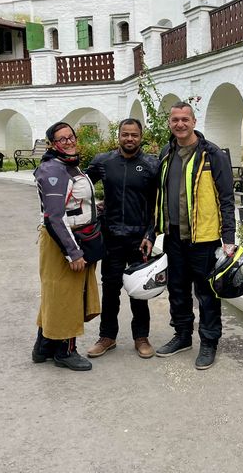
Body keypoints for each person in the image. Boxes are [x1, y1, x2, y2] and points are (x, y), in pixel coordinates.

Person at [154, 101, 235, 370]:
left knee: (206, 293)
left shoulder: (212, 154)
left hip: (205, 238)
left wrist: (229, 238)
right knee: (177, 289)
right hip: (174, 236)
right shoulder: (167, 152)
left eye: (184, 119)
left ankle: (209, 342)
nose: (180, 124)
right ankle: (183, 336)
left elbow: (226, 198)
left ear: (194, 122)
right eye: (175, 119)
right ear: (170, 123)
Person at [85, 118, 159, 359]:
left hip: (140, 239)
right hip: (112, 237)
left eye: (134, 135)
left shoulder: (151, 164)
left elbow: (158, 205)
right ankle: (107, 337)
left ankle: (141, 337)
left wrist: (151, 233)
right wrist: (92, 209)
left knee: (139, 290)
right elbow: (80, 188)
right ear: (119, 136)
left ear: (141, 137)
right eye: (125, 134)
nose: (130, 139)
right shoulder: (103, 162)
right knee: (110, 289)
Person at [31, 121, 100, 371]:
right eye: (62, 139)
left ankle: (44, 346)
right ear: (52, 144)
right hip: (63, 243)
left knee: (56, 294)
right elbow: (54, 217)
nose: (69, 141)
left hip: (71, 237)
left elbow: (71, 203)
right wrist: (73, 253)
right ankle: (65, 351)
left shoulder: (66, 166)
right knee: (68, 297)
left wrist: (93, 209)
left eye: (71, 137)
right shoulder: (53, 170)